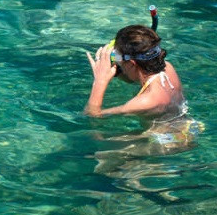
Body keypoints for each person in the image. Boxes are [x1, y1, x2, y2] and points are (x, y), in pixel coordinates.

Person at [84, 19, 202, 151]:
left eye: (119, 59)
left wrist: (99, 81)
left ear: (132, 63)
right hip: (187, 128)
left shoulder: (146, 101)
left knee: (101, 152)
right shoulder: (167, 68)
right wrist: (117, 68)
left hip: (166, 142)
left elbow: (93, 115)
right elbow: (133, 77)